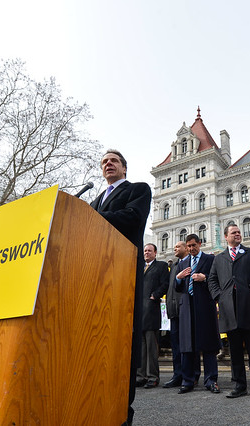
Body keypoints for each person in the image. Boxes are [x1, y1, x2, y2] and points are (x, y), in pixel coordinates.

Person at [89, 149, 151, 425]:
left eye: (113, 161)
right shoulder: (93, 201)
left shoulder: (138, 189)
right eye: (104, 162)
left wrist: (88, 219)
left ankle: (121, 413)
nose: (108, 164)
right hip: (92, 275)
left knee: (122, 340)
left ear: (124, 168)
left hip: (122, 270)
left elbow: (132, 219)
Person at [208, 224, 250, 399]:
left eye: (239, 232)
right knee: (234, 350)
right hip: (228, 309)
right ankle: (239, 385)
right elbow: (212, 280)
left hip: (248, 307)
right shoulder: (219, 259)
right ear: (226, 237)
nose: (238, 235)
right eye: (234, 233)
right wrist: (219, 296)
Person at [175, 234, 220, 394]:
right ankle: (188, 380)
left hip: (204, 306)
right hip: (187, 308)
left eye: (194, 245)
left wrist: (205, 277)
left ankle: (211, 380)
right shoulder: (183, 263)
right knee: (187, 345)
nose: (191, 249)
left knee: (208, 344)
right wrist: (178, 278)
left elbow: (217, 279)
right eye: (189, 246)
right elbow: (177, 288)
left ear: (200, 244)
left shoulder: (210, 260)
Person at [135, 243, 169, 389]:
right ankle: (140, 376)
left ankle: (152, 377)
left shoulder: (161, 266)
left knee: (151, 347)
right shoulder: (140, 267)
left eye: (149, 250)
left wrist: (155, 295)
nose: (146, 253)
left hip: (151, 311)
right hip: (139, 312)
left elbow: (165, 284)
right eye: (145, 251)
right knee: (140, 347)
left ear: (155, 252)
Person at [163, 241, 188, 388]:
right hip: (173, 311)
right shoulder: (173, 266)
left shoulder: (189, 263)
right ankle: (177, 375)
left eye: (178, 247)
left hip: (184, 310)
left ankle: (190, 375)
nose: (175, 249)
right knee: (176, 346)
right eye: (174, 247)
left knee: (187, 345)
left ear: (185, 248)